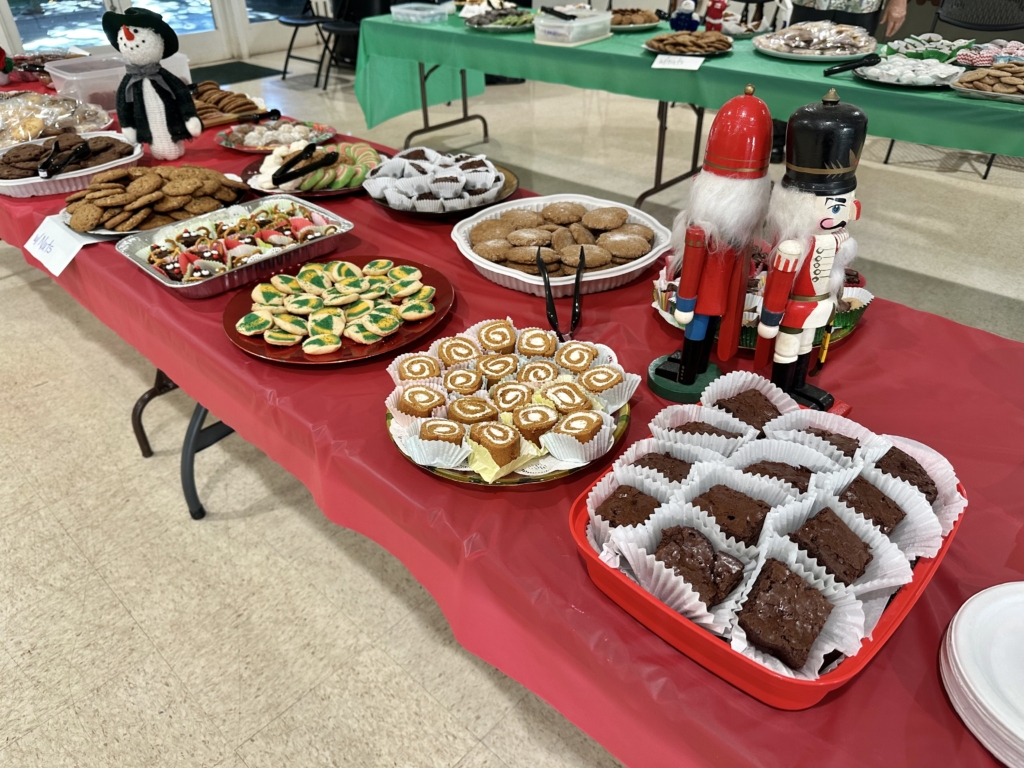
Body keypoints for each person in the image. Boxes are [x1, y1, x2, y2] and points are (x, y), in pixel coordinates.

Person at [789, 0, 907, 37]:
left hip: (861, 5)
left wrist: (899, 2)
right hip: (811, 3)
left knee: (853, 53)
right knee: (799, 47)